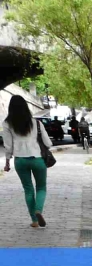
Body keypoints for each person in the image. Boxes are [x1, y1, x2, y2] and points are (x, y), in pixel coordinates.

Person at [2, 95, 52, 229]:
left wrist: (7, 162)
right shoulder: (36, 123)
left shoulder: (6, 124)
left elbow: (8, 146)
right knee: (41, 187)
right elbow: (48, 143)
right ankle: (38, 210)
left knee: (28, 189)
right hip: (37, 159)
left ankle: (34, 220)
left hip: (20, 160)